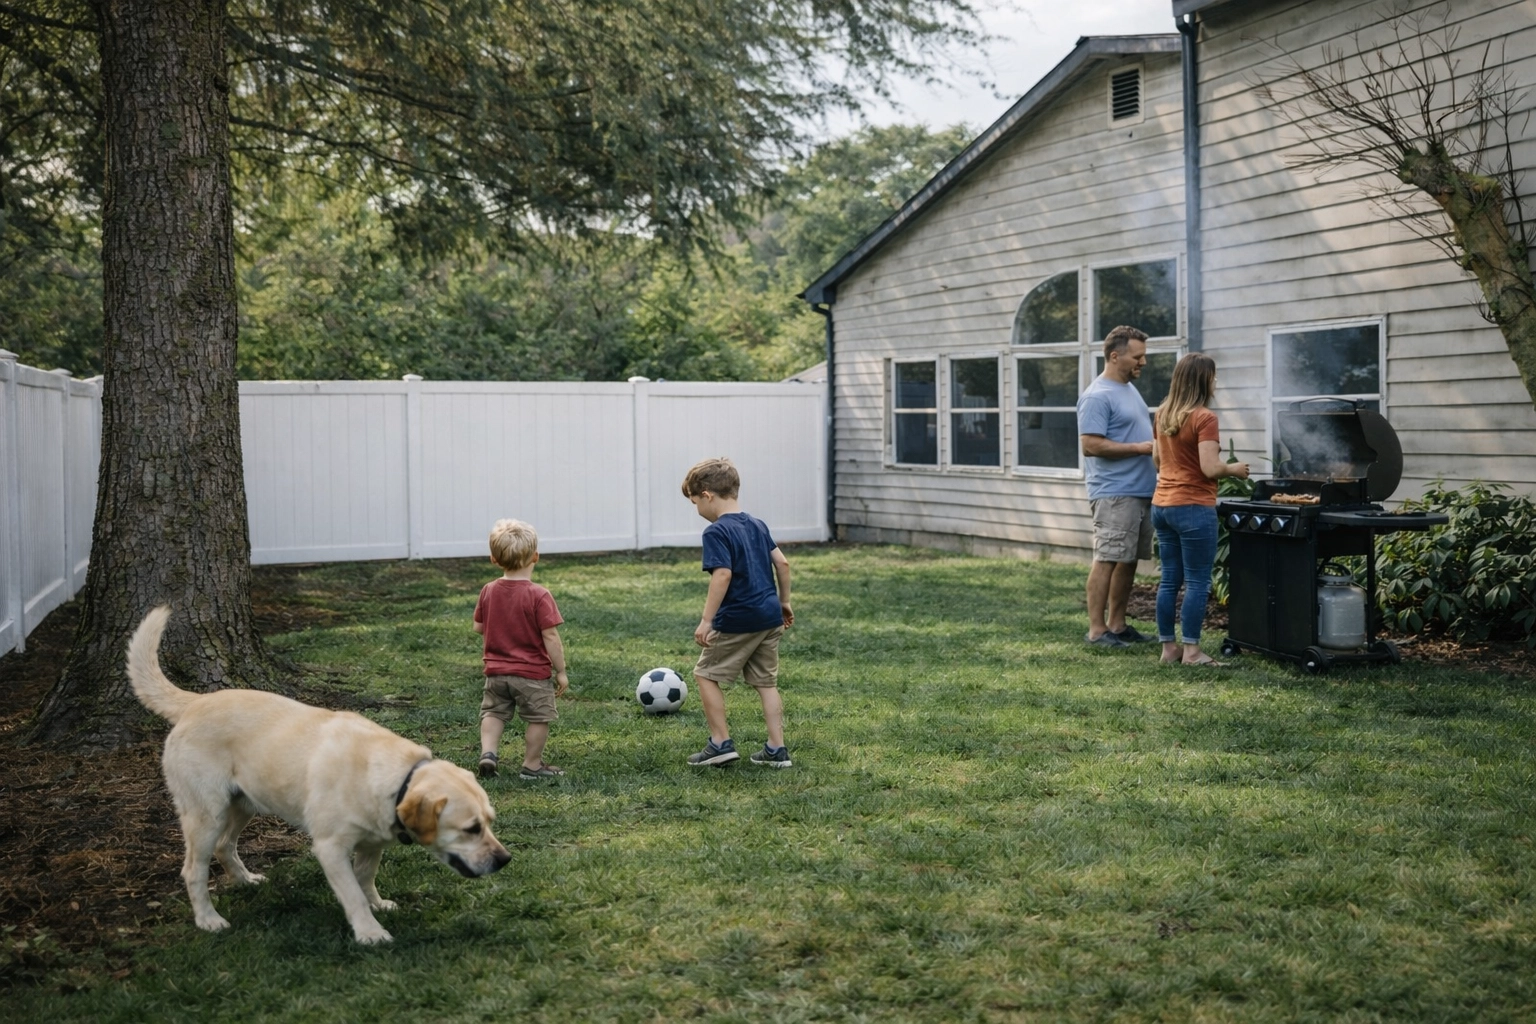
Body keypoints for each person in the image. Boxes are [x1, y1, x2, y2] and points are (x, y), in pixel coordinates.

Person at [680, 457, 794, 768]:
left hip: (738, 619)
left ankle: (720, 743)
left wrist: (706, 621)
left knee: (705, 675)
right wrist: (784, 602)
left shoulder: (716, 532)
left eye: (694, 502)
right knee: (766, 684)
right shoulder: (757, 524)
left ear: (707, 495)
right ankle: (776, 749)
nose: (697, 511)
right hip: (769, 617)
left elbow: (723, 575)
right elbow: (782, 564)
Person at [1151, 353, 1249, 666]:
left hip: (1162, 505)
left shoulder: (1164, 413)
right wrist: (1234, 469)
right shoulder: (1205, 417)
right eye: (1213, 376)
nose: (1216, 381)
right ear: (1203, 380)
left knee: (1169, 581)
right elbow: (1209, 468)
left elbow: (1157, 460)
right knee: (1196, 582)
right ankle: (1192, 652)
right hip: (1193, 507)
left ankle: (1169, 650)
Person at [1076, 325, 1158, 647]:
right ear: (1114, 356)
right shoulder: (1097, 395)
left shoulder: (1128, 388)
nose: (1143, 363)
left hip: (1139, 491)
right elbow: (1090, 445)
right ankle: (1097, 630)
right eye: (1138, 357)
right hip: (1113, 492)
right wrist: (1139, 448)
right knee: (1107, 558)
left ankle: (1118, 625)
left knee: (1128, 560)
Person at [473, 518, 569, 779]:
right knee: (538, 718)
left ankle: (489, 753)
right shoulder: (539, 595)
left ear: (494, 559)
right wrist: (560, 671)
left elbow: (479, 627)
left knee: (493, 712)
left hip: (495, 672)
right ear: (535, 556)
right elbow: (550, 635)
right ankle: (532, 765)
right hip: (532, 676)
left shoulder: (488, 591)